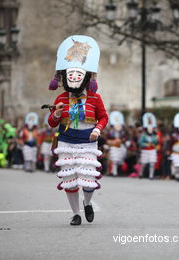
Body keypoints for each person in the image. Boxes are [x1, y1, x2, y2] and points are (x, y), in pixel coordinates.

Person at [48, 35, 108, 225]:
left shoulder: (95, 98)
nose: (73, 78)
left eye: (78, 75)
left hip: (88, 141)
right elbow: (51, 123)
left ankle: (87, 203)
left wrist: (98, 129)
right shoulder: (61, 98)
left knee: (88, 178)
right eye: (70, 75)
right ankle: (75, 213)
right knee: (70, 179)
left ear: (86, 77)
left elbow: (104, 117)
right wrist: (56, 114)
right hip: (66, 141)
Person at [106, 111, 127, 176]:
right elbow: (107, 139)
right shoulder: (110, 132)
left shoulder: (123, 133)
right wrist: (112, 142)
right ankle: (114, 172)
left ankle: (117, 170)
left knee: (119, 159)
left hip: (120, 147)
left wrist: (121, 140)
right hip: (113, 147)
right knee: (114, 159)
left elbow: (125, 139)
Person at [139, 112, 159, 179]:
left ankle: (151, 175)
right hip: (145, 150)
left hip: (152, 150)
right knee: (143, 164)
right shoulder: (143, 135)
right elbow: (140, 143)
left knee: (152, 163)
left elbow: (156, 143)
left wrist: (156, 140)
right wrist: (146, 144)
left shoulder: (154, 135)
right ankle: (141, 173)